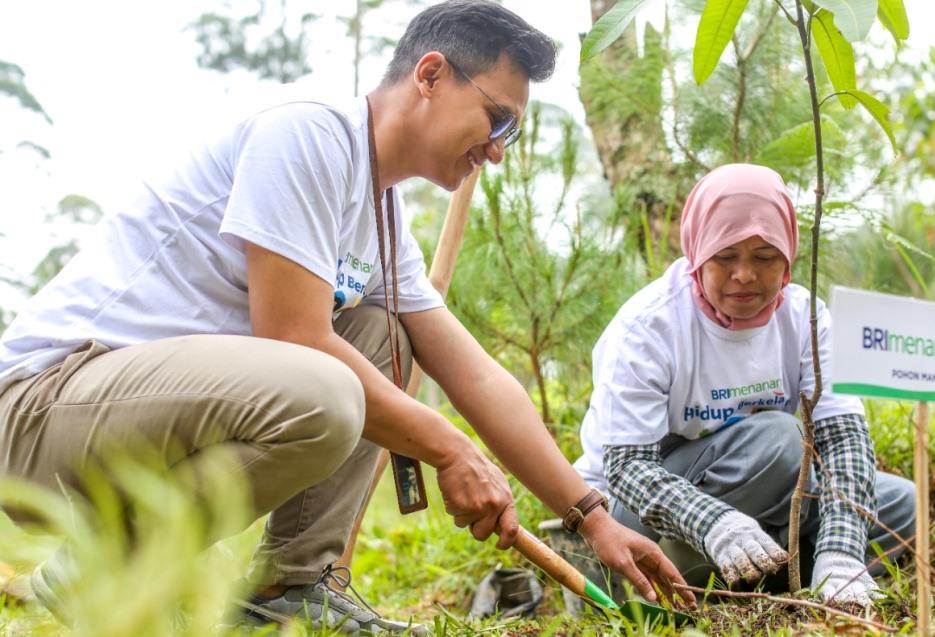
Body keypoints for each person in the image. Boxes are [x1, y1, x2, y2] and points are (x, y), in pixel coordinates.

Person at [0, 1, 693, 632]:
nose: (498, 149)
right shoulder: (306, 132)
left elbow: (477, 377)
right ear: (430, 75)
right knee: (326, 387)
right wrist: (450, 450)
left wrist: (592, 516)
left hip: (135, 419)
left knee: (386, 336)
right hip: (41, 412)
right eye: (498, 118)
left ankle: (291, 582)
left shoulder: (384, 222)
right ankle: (104, 564)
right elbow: (294, 338)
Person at [573, 163, 916, 606]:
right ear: (698, 252)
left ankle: (780, 572)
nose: (745, 275)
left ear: (789, 255)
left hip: (762, 494)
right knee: (779, 441)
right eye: (725, 256)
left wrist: (842, 549)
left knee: (899, 506)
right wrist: (715, 523)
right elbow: (627, 470)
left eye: (765, 257)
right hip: (636, 513)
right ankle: (674, 570)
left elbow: (844, 439)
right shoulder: (649, 327)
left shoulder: (806, 318)